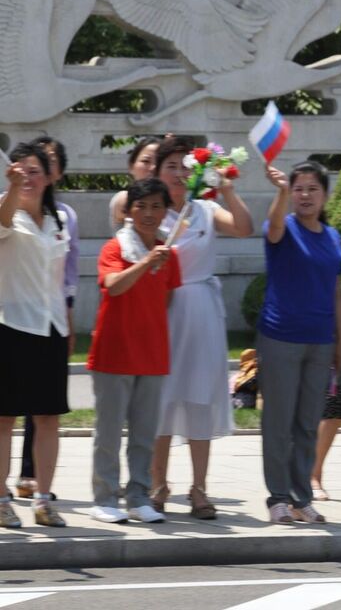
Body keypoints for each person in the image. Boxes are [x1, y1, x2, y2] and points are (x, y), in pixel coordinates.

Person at [151, 135, 253, 521]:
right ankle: (157, 485)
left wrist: (226, 187)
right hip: (164, 312)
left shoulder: (206, 210)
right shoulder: (149, 213)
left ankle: (199, 488)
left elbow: (244, 227)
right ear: (158, 172)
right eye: (170, 167)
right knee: (162, 401)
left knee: (197, 400)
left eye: (184, 166)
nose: (178, 174)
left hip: (203, 312)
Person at [86, 177, 180, 525]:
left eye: (157, 206)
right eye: (142, 206)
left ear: (166, 211)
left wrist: (156, 261)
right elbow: (114, 286)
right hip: (113, 353)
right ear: (128, 211)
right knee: (108, 433)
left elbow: (166, 299)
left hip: (153, 354)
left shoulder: (170, 255)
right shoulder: (115, 248)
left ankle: (139, 497)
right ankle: (104, 498)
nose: (149, 213)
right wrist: (145, 264)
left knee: (144, 434)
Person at [257, 163, 341, 524]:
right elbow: (275, 226)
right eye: (299, 189)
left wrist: (340, 342)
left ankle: (301, 496)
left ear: (325, 195)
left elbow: (335, 291)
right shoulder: (283, 226)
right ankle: (277, 497)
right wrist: (279, 193)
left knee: (308, 422)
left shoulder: (332, 236)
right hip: (281, 336)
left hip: (320, 340)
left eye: (313, 189)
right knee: (278, 422)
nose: (305, 195)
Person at [0, 144, 71, 527]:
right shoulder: (6, 207)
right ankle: (0, 499)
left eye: (35, 170)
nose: (28, 177)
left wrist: (69, 323)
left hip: (52, 328)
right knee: (4, 419)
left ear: (49, 175)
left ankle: (43, 500)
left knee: (48, 418)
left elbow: (59, 280)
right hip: (12, 325)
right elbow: (2, 222)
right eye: (21, 170)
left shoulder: (58, 218)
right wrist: (10, 189)